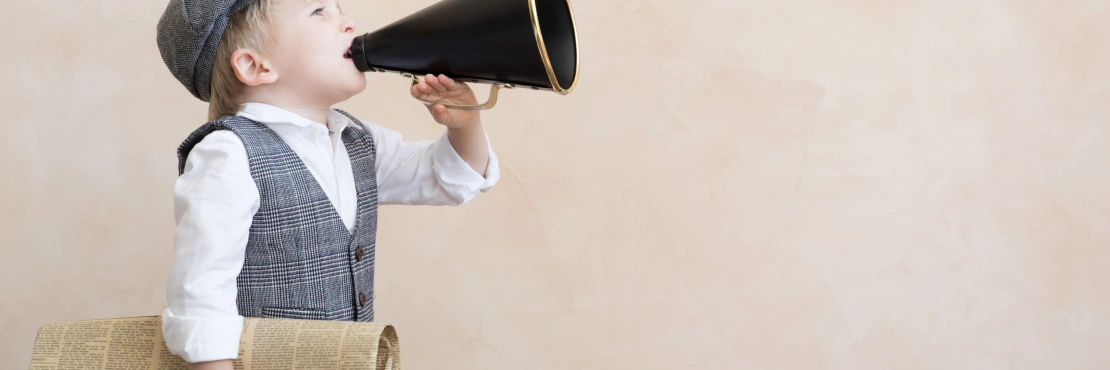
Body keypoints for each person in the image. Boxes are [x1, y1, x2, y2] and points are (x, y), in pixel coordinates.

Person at [155, 0, 500, 369]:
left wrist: (464, 122)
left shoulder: (358, 139)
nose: (348, 22)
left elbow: (449, 178)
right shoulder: (228, 152)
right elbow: (201, 292)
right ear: (255, 66)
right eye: (319, 12)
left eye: (340, 9)